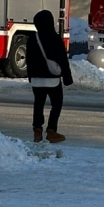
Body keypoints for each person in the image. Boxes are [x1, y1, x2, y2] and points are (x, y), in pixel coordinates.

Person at [26, 10, 74, 143]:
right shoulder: (55, 38)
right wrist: (67, 77)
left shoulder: (32, 39)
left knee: (38, 103)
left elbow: (28, 60)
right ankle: (51, 130)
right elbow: (63, 59)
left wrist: (30, 76)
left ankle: (37, 129)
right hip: (52, 79)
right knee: (57, 103)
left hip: (36, 80)